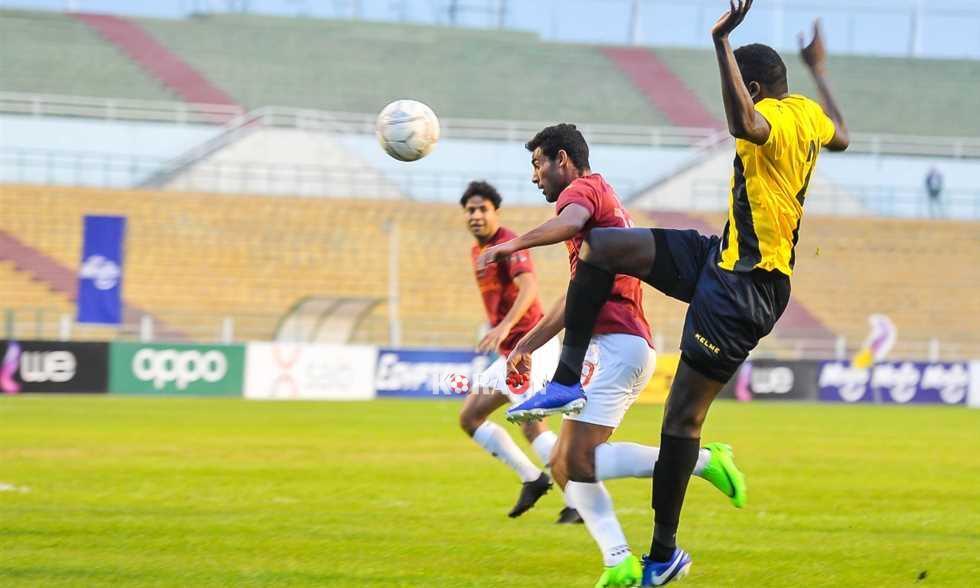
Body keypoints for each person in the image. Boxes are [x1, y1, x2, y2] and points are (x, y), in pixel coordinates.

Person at [502, 2, 849, 584]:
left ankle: (663, 555)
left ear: (755, 86)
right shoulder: (810, 115)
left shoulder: (777, 120)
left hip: (746, 290)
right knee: (604, 246)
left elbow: (746, 125)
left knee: (681, 421)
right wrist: (821, 70)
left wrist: (719, 43)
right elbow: (843, 136)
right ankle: (564, 380)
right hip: (722, 256)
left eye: (741, 84)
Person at [477, 126, 746, 587]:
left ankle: (702, 462)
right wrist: (527, 344)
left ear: (562, 159)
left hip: (619, 343)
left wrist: (511, 243)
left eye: (538, 164)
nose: (536, 177)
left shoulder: (581, 191)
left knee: (576, 462)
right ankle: (618, 560)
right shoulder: (599, 205)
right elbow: (575, 300)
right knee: (565, 462)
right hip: (614, 344)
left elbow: (566, 223)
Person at [458, 180, 583, 523]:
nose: (476, 215)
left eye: (483, 209)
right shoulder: (476, 252)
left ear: (495, 212)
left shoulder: (507, 244)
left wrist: (502, 327)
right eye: (470, 210)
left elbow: (528, 287)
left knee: (531, 423)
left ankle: (578, 500)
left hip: (532, 347)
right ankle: (533, 478)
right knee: (470, 416)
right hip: (510, 352)